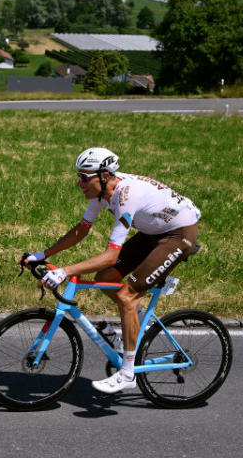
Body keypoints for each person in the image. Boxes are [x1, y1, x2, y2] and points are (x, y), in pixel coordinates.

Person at [19, 147, 200, 394]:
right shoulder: (101, 194)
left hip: (179, 234)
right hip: (153, 232)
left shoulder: (126, 196)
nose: (79, 183)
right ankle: (136, 326)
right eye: (78, 176)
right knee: (105, 278)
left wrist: (64, 271)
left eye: (84, 177)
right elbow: (81, 230)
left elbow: (110, 255)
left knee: (127, 295)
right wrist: (42, 255)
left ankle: (127, 374)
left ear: (103, 176)